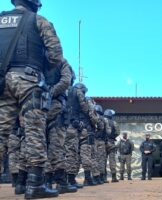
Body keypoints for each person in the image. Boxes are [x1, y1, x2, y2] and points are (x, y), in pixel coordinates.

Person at [0, 0, 63, 198]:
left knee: (1, 133)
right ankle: (34, 186)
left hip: (2, 82)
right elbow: (56, 56)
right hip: (28, 79)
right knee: (34, 131)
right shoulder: (39, 20)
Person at [43, 59, 77, 193]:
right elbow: (66, 82)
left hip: (42, 108)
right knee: (57, 146)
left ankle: (47, 181)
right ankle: (61, 182)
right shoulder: (62, 64)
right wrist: (52, 92)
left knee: (44, 145)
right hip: (56, 110)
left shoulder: (40, 62)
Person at [104, 109, 120, 183]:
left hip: (103, 143)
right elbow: (117, 132)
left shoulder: (102, 121)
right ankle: (114, 177)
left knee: (102, 160)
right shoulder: (114, 123)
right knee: (112, 160)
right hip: (111, 142)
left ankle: (103, 178)